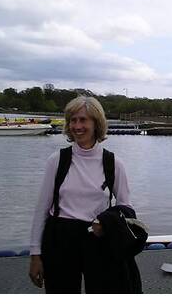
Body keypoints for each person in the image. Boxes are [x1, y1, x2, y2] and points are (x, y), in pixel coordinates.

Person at [28, 96, 141, 293]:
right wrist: (35, 255)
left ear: (97, 124)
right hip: (60, 238)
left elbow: (126, 207)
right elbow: (41, 210)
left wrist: (105, 223)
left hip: (97, 238)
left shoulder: (114, 164)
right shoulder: (57, 161)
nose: (77, 126)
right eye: (73, 120)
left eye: (83, 120)